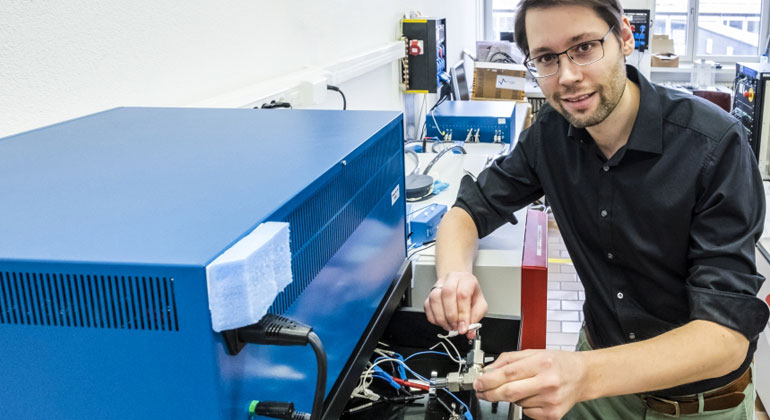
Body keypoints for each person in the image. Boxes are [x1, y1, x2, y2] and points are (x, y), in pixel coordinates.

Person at [423, 0, 769, 419]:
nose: (568, 76)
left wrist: (582, 375)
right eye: (547, 58)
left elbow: (725, 338)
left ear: (624, 37)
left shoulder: (714, 146)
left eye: (584, 47)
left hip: (696, 404)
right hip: (599, 380)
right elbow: (467, 211)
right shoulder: (549, 136)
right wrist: (454, 275)